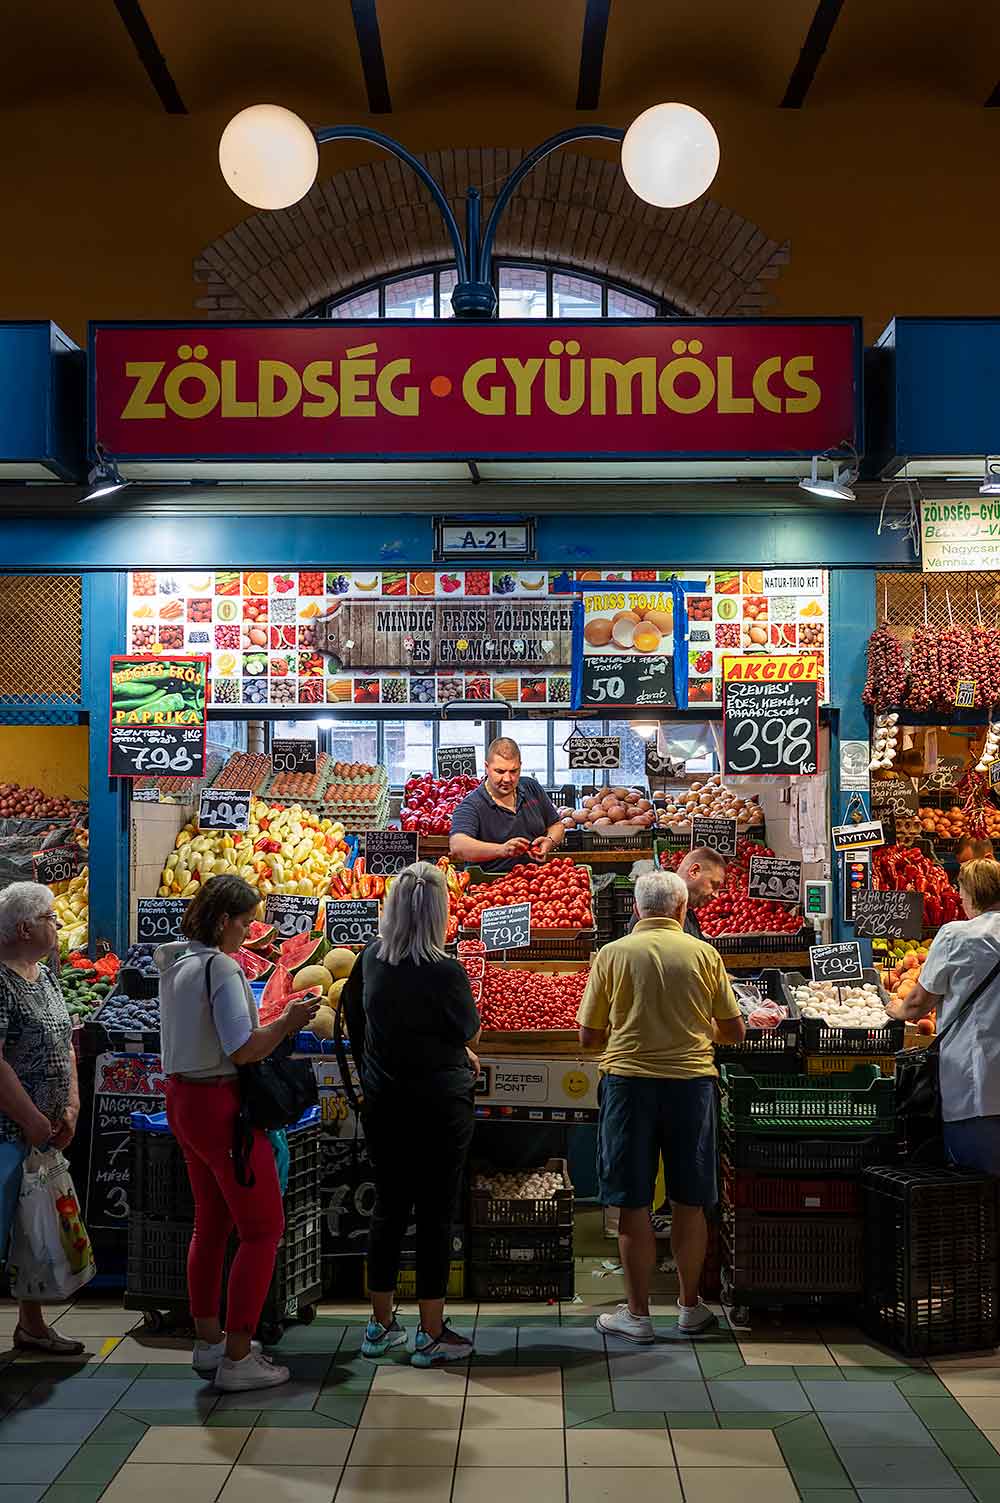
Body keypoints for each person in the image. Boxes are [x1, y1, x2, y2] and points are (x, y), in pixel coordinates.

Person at [158, 873, 319, 1392]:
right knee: (262, 1229)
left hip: (182, 1100)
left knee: (212, 1225)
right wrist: (288, 1022)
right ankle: (238, 1354)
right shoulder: (222, 969)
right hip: (221, 1107)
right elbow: (245, 1048)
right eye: (247, 921)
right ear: (225, 921)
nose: (252, 929)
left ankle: (208, 1341)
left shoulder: (177, 963)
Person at [578, 869, 744, 1343]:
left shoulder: (612, 955)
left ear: (635, 908)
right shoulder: (704, 954)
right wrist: (695, 1031)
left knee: (632, 1204)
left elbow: (589, 1037)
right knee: (690, 1202)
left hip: (628, 1087)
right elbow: (733, 1031)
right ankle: (690, 1308)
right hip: (691, 1086)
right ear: (682, 909)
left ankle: (637, 1315)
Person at [341, 862, 481, 1366]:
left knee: (390, 1208)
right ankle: (431, 1331)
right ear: (439, 912)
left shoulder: (370, 958)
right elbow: (467, 1030)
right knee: (436, 1213)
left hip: (385, 1101)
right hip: (441, 1104)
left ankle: (379, 1328)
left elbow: (357, 1023)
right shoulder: (445, 968)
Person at [0, 882, 85, 1355]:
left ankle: (31, 1326)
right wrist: (30, 1117)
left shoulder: (45, 975)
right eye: (50, 918)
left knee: (33, 1232)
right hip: (8, 1133)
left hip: (42, 1132)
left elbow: (64, 1043)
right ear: (23, 927)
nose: (57, 924)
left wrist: (70, 1105)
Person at [887, 858, 1000, 1173]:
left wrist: (891, 1007)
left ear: (970, 894)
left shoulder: (957, 936)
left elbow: (915, 1006)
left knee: (977, 1183)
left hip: (979, 1082)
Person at [449, 736, 565, 872]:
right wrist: (501, 850)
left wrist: (549, 841)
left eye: (513, 771)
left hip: (537, 883)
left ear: (520, 766)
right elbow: (458, 846)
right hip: (491, 886)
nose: (507, 779)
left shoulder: (531, 788)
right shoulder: (472, 805)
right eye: (500, 771)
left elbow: (556, 825)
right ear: (487, 767)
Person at [629, 848, 726, 939]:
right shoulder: (658, 907)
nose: (716, 896)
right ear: (694, 871)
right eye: (713, 884)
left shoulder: (687, 912)